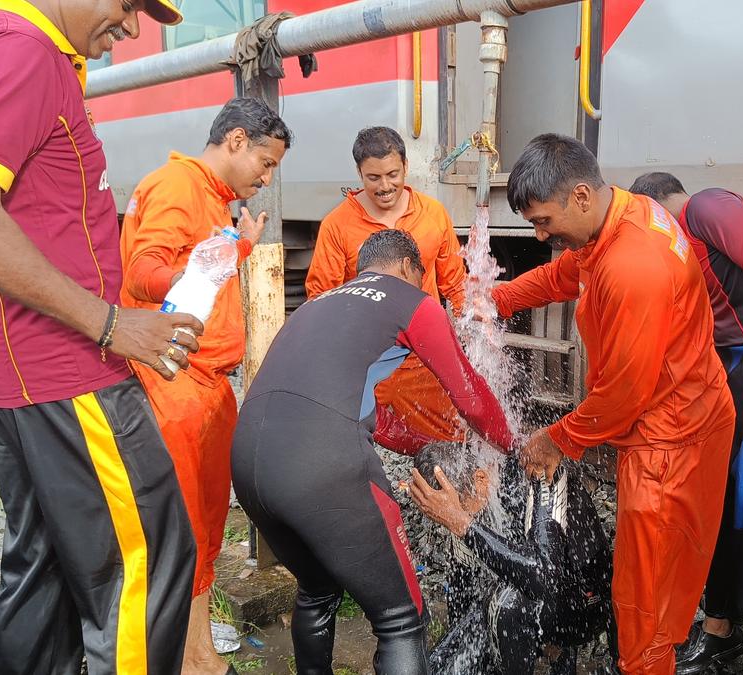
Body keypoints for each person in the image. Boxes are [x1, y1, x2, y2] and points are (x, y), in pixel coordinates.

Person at [0, 1, 201, 672]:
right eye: (126, 4)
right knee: (141, 563)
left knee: (43, 559)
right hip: (64, 373)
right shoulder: (23, 52)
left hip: (3, 366)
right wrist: (112, 324)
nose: (133, 26)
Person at [490, 134, 736, 674]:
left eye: (544, 221)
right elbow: (566, 275)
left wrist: (557, 440)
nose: (540, 234)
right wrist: (498, 297)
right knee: (664, 575)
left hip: (670, 438)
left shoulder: (633, 268)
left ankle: (644, 665)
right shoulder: (626, 213)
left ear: (580, 196)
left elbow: (623, 395)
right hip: (686, 410)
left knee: (644, 592)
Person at [231, 229, 512, 675]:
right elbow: (471, 395)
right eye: (421, 277)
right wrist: (510, 447)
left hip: (249, 462)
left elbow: (367, 415)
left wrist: (431, 442)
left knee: (317, 590)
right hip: (324, 464)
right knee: (400, 617)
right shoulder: (410, 300)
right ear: (407, 268)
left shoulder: (315, 307)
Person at [119, 97, 291, 675]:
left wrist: (236, 247)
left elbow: (199, 267)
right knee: (186, 530)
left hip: (203, 384)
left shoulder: (211, 198)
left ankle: (197, 654)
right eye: (265, 164)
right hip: (176, 383)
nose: (266, 179)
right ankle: (187, 659)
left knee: (204, 529)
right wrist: (208, 266)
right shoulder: (176, 185)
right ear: (236, 140)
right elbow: (145, 270)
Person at [629, 173, 743, 673]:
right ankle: (716, 613)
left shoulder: (704, 208)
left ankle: (724, 629)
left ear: (654, 206)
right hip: (725, 364)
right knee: (714, 492)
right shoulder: (683, 236)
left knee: (741, 497)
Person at [305, 126, 467, 444]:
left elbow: (456, 284)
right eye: (373, 178)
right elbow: (321, 297)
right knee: (355, 443)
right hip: (367, 361)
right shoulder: (336, 225)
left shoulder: (434, 214)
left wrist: (465, 340)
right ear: (359, 173)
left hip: (423, 358)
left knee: (446, 443)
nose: (385, 186)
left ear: (406, 167)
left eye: (392, 174)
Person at [404, 442, 613, 674]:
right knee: (438, 666)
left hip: (581, 603)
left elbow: (544, 578)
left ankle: (560, 653)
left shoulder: (540, 474)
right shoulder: (470, 486)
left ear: (481, 479)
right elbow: (461, 585)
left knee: (505, 603)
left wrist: (460, 521)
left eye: (458, 508)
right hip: (528, 592)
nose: (453, 518)